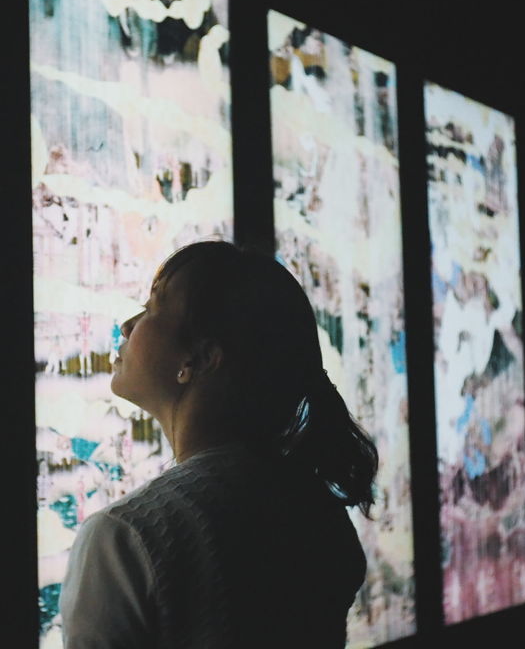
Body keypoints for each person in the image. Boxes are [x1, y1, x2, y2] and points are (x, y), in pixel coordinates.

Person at [60, 240, 377, 648]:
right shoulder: (315, 505)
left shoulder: (124, 539)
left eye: (153, 307)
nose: (128, 325)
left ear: (200, 359)